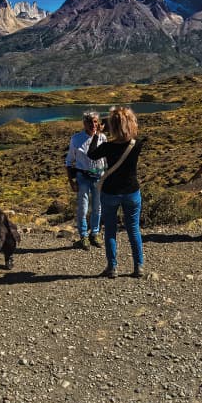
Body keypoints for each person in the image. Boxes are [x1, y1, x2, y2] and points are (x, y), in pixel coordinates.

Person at [87, 106, 145, 279]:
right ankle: (138, 267)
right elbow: (133, 133)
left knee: (110, 230)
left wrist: (97, 133)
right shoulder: (137, 144)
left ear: (112, 126)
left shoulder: (107, 147)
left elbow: (91, 155)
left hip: (110, 192)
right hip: (131, 191)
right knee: (133, 229)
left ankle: (112, 267)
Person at [65, 111, 107, 250]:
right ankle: (83, 236)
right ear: (84, 123)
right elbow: (69, 161)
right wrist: (71, 181)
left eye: (95, 122)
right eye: (89, 122)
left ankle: (94, 234)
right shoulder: (76, 139)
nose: (93, 125)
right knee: (83, 208)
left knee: (97, 207)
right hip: (83, 177)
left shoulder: (102, 138)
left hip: (99, 177)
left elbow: (106, 159)